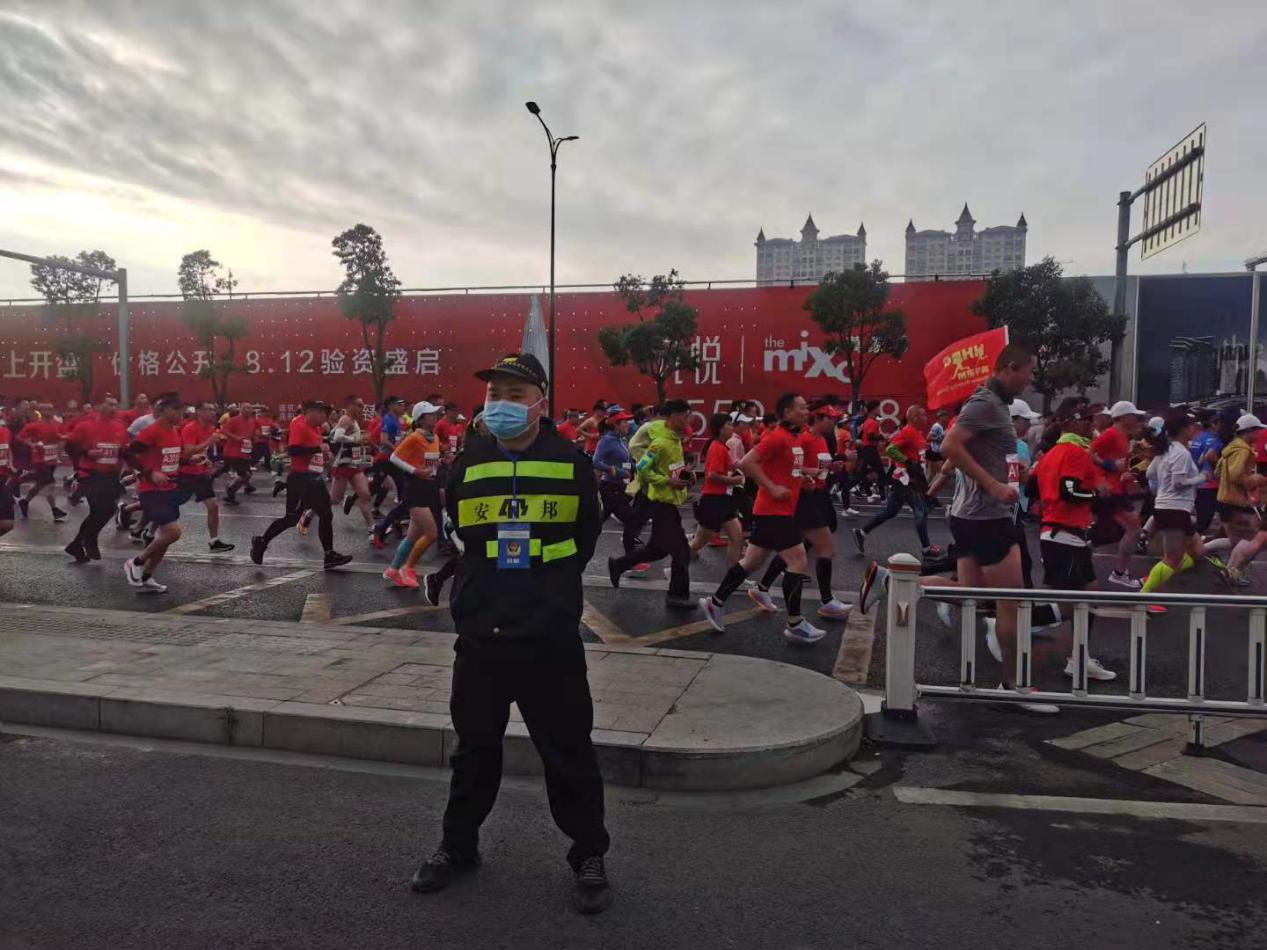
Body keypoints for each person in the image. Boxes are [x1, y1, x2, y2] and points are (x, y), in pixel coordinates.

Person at [409, 353, 610, 914]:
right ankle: (458, 847)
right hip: (482, 635)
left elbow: (584, 539)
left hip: (549, 638)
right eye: (494, 394)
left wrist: (548, 594)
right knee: (474, 751)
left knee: (569, 753)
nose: (501, 404)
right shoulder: (468, 463)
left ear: (540, 402)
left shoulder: (572, 464)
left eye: (514, 394)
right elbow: (462, 537)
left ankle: (589, 854)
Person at [864, 344, 1057, 712]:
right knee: (1012, 602)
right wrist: (992, 485)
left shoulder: (994, 405)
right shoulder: (984, 402)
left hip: (978, 516)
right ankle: (1014, 685)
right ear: (1010, 368)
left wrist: (1013, 476)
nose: (1031, 379)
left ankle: (889, 581)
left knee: (973, 594)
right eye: (1029, 371)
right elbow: (951, 447)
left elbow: (986, 454)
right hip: (987, 518)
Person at [699, 392, 826, 645]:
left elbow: (789, 469)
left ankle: (715, 602)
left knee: (752, 561)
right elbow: (747, 463)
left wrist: (804, 480)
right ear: (787, 412)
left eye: (806, 408)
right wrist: (771, 487)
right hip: (773, 511)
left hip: (778, 510)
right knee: (798, 560)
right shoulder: (777, 436)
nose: (806, 412)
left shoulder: (795, 438)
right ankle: (795, 623)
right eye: (802, 408)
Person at [1033, 399, 1117, 682]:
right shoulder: (1075, 452)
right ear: (1073, 421)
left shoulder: (1053, 452)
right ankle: (1011, 622)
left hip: (1063, 534)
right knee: (1074, 603)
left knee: (1089, 594)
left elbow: (1033, 486)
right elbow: (1068, 490)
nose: (1093, 425)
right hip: (1063, 535)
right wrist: (1096, 493)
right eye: (1088, 419)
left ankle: (1079, 658)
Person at [749, 403, 852, 621]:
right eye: (831, 418)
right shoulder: (803, 438)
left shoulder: (824, 439)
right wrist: (812, 472)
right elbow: (793, 467)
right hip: (805, 497)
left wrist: (830, 468)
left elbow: (819, 468)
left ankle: (763, 587)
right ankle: (826, 601)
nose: (834, 422)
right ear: (819, 418)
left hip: (819, 495)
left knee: (797, 547)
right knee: (824, 548)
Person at [607, 399, 696, 609]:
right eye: (685, 416)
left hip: (670, 502)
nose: (688, 420)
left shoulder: (675, 440)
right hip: (662, 504)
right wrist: (667, 481)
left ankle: (619, 564)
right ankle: (677, 597)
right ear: (673, 416)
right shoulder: (660, 443)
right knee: (681, 552)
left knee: (658, 549)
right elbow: (643, 468)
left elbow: (672, 468)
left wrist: (686, 476)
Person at [250, 401, 352, 570]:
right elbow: (293, 450)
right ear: (308, 412)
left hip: (314, 478)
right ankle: (261, 541)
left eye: (325, 413)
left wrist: (323, 455)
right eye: (320, 413)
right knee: (292, 519)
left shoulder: (317, 428)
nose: (323, 417)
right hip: (301, 480)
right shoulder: (299, 425)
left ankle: (329, 555)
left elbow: (313, 449)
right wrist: (317, 449)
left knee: (325, 514)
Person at [1138, 410, 1226, 595]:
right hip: (1175, 509)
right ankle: (1146, 594)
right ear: (1183, 429)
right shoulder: (1180, 452)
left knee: (1198, 551)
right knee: (1172, 558)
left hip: (1171, 508)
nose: (1194, 429)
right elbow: (1178, 483)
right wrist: (1202, 477)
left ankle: (1155, 578)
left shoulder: (1166, 449)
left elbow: (1150, 473)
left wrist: (1165, 483)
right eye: (1191, 426)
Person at [853, 404, 938, 557]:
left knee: (890, 511)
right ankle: (926, 548)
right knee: (921, 511)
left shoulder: (916, 433)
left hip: (908, 478)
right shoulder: (907, 432)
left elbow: (917, 451)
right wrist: (907, 462)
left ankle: (862, 532)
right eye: (923, 415)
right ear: (914, 417)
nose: (926, 418)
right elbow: (890, 449)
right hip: (906, 479)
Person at [123, 393, 188, 593]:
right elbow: (128, 454)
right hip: (151, 490)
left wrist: (190, 461)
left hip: (169, 490)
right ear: (163, 410)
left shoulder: (175, 431)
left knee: (165, 538)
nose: (180, 414)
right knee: (173, 532)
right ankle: (136, 562)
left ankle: (147, 576)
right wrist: (150, 473)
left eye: (182, 410)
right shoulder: (151, 431)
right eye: (176, 410)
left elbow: (170, 458)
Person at [381, 401, 444, 589]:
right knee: (431, 533)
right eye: (431, 414)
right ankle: (407, 568)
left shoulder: (435, 437)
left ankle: (392, 570)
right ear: (421, 419)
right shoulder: (414, 437)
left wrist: (441, 461)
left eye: (435, 413)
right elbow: (394, 457)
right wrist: (415, 471)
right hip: (415, 489)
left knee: (412, 536)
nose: (435, 416)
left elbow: (429, 463)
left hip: (429, 488)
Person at [64, 395, 130, 562]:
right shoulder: (85, 426)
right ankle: (90, 541)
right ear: (99, 406)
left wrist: (129, 459)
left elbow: (123, 449)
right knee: (102, 509)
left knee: (105, 510)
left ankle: (77, 544)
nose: (114, 408)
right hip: (91, 474)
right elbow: (69, 446)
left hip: (111, 475)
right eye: (110, 404)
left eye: (116, 405)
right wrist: (87, 453)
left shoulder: (120, 427)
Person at [1092, 400, 1149, 589]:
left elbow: (1117, 459)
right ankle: (1119, 573)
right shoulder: (1110, 434)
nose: (1137, 419)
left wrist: (1125, 468)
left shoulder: (1123, 436)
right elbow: (1089, 453)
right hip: (1109, 490)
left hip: (1116, 489)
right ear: (1124, 417)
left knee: (1105, 533)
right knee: (1134, 528)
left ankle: (1118, 572)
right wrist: (1107, 468)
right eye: (1134, 416)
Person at [173, 401, 235, 554]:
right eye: (209, 410)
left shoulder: (211, 429)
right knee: (170, 505)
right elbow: (188, 451)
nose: (213, 413)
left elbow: (203, 451)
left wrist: (208, 462)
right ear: (199, 412)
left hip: (200, 474)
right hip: (184, 473)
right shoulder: (190, 428)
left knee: (213, 506)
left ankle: (214, 541)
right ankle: (144, 527)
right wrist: (209, 441)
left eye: (214, 410)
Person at [688, 413, 745, 564]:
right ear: (720, 428)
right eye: (728, 425)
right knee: (701, 539)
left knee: (736, 536)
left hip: (723, 499)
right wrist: (733, 480)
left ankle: (734, 573)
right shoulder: (717, 448)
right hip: (713, 500)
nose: (732, 428)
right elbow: (712, 475)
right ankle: (681, 559)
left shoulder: (722, 447)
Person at [592, 410, 644, 557]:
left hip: (622, 487)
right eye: (624, 422)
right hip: (610, 488)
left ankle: (580, 539)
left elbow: (626, 461)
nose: (628, 424)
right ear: (616, 425)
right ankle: (630, 557)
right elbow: (596, 462)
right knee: (632, 519)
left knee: (597, 522)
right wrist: (615, 471)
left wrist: (637, 468)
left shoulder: (623, 439)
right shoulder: (606, 440)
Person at [218, 404, 257, 505]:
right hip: (233, 453)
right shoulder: (234, 420)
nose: (247, 410)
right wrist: (235, 437)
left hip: (245, 452)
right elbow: (223, 430)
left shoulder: (252, 421)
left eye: (249, 408)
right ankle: (230, 491)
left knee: (247, 475)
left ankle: (231, 489)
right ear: (241, 410)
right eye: (245, 408)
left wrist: (254, 438)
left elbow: (252, 433)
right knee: (244, 474)